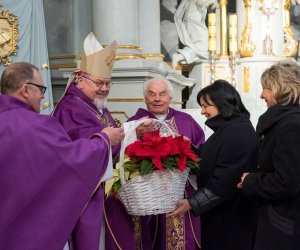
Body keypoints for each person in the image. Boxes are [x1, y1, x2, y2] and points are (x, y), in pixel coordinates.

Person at [0, 62, 124, 249]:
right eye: (41, 89)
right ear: (26, 90)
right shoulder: (37, 125)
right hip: (26, 228)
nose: (43, 95)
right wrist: (104, 139)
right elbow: (72, 159)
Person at [52, 32, 125, 250]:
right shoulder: (72, 106)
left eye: (108, 83)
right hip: (82, 188)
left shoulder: (96, 104)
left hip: (99, 186)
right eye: (100, 83)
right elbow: (76, 149)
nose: (104, 88)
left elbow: (113, 136)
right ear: (81, 79)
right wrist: (107, 138)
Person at [168, 80, 258, 250]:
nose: (202, 111)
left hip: (232, 218)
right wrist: (189, 148)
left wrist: (192, 203)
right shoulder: (228, 129)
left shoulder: (237, 132)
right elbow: (211, 159)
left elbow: (224, 180)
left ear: (221, 104)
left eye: (205, 106)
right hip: (222, 215)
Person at [123, 78, 205, 250]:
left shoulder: (185, 120)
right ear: (145, 98)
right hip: (145, 196)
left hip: (179, 193)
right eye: (152, 94)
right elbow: (122, 156)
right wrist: (134, 135)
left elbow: (200, 154)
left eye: (162, 94)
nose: (157, 99)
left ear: (170, 98)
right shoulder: (134, 123)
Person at [237, 60, 300, 250]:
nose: (261, 94)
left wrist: (250, 181)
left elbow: (287, 183)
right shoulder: (285, 122)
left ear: (279, 88)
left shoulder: (291, 125)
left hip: (284, 225)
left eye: (265, 88)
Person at [172, 0, 218, 68]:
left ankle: (185, 57)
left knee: (200, 45)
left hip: (195, 21)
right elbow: (200, 2)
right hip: (193, 21)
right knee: (203, 44)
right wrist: (211, 2)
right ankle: (180, 56)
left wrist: (214, 4)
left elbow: (209, 6)